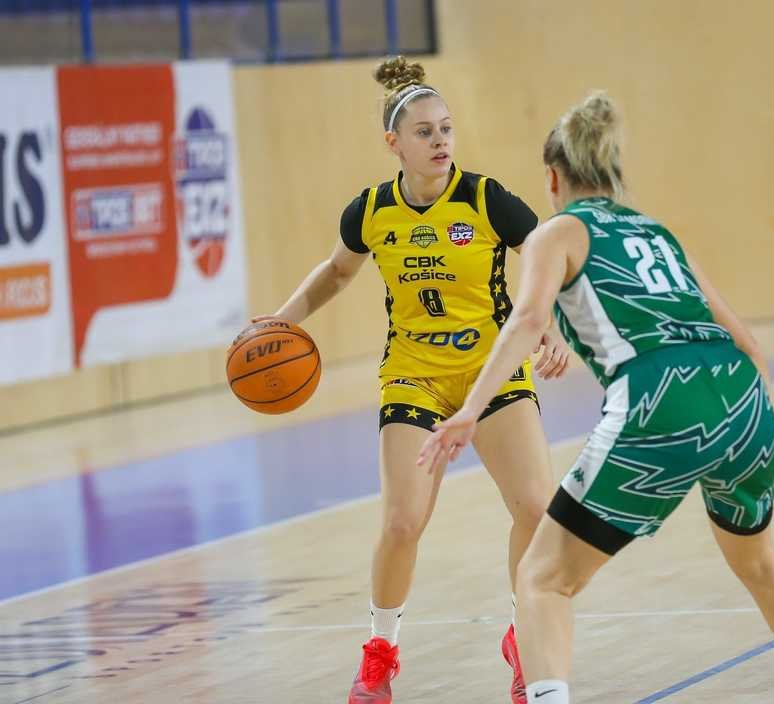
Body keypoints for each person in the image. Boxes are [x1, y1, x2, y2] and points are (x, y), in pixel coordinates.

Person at [418, 91, 774, 704]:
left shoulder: (556, 233)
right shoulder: (658, 233)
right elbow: (746, 341)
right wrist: (751, 405)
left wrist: (469, 409)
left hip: (658, 397)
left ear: (553, 177)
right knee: (758, 563)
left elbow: (526, 321)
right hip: (741, 395)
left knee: (542, 579)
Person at [253, 56, 570, 703]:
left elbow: (552, 257)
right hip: (413, 377)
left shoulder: (485, 199)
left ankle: (523, 637)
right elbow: (337, 272)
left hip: (490, 373)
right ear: (393, 142)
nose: (441, 141)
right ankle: (380, 652)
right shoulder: (371, 210)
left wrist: (553, 326)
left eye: (446, 128)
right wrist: (281, 322)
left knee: (537, 509)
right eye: (425, 132)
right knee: (402, 523)